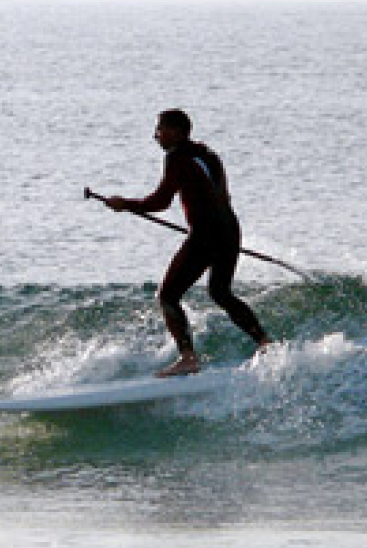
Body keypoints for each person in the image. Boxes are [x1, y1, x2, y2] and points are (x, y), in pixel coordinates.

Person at [101, 109, 272, 377]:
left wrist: (125, 204)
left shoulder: (176, 158)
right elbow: (222, 196)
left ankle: (188, 358)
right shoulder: (210, 155)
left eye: (160, 129)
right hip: (229, 228)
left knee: (168, 295)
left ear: (177, 132)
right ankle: (264, 341)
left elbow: (160, 202)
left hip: (206, 234)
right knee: (220, 292)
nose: (156, 135)